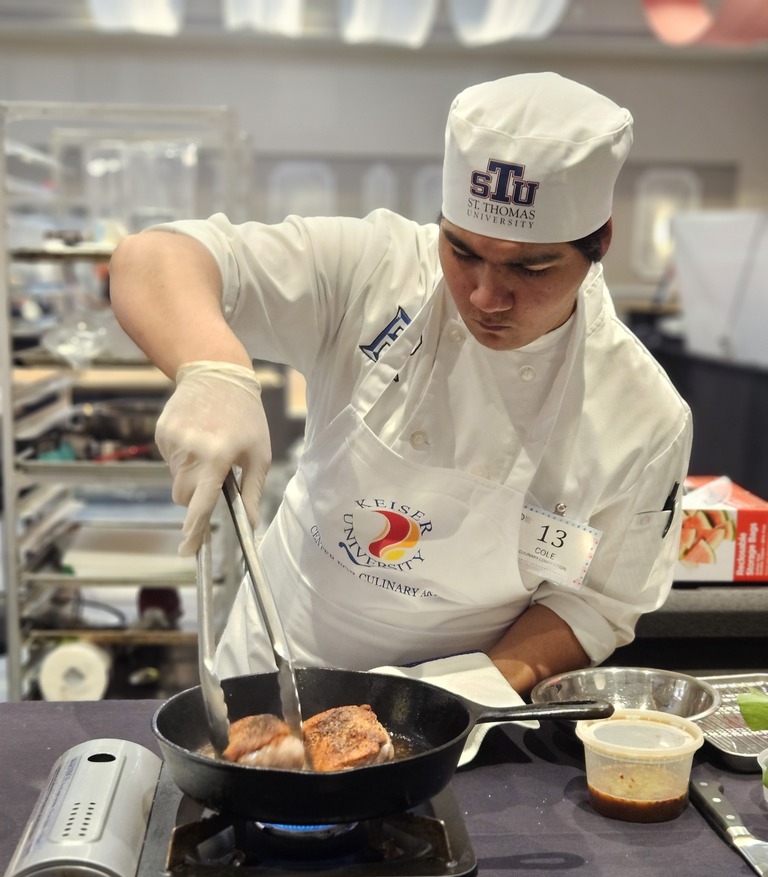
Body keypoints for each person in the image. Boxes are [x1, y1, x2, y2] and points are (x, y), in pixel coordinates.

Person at [108, 72, 692, 706]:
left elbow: (593, 603)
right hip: (273, 666)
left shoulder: (641, 416)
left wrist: (455, 701)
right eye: (462, 252)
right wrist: (213, 370)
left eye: (531, 268)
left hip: (454, 716)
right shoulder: (374, 271)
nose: (485, 296)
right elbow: (152, 256)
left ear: (600, 242)